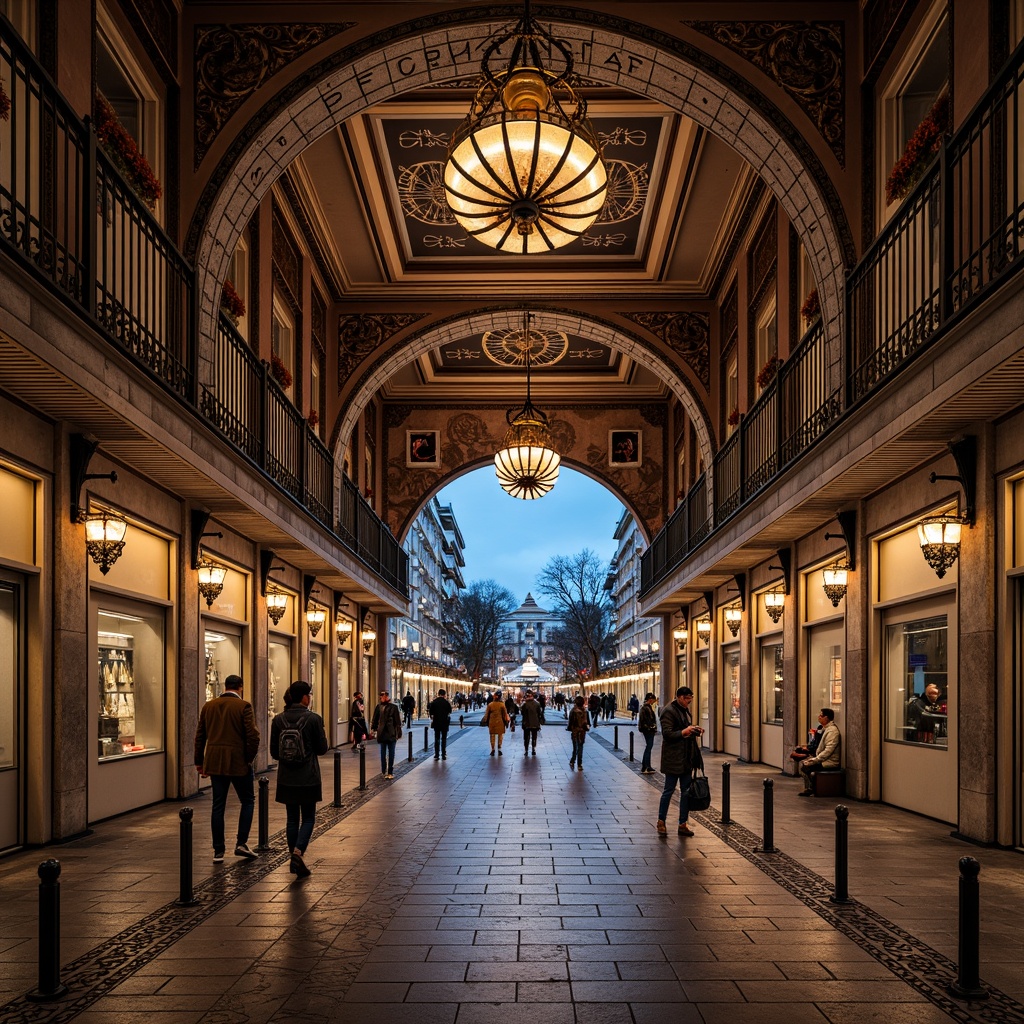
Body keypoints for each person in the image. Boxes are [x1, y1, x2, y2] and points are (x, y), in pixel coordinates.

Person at [194, 673, 261, 863]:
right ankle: (241, 843)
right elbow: (253, 736)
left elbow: (200, 736)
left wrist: (199, 762)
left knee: (218, 804)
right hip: (238, 762)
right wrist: (248, 758)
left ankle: (218, 851)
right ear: (240, 686)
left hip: (215, 762)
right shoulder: (243, 706)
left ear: (225, 687)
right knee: (247, 800)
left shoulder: (209, 706)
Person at [270, 680, 329, 878]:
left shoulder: (278, 720)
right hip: (308, 776)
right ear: (305, 697)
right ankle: (297, 853)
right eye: (309, 695)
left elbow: (274, 752)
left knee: (292, 818)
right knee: (309, 817)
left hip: (286, 777)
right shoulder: (313, 719)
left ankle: (293, 859)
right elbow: (322, 749)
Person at [657, 686, 703, 836]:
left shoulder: (683, 710)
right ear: (681, 697)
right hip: (673, 759)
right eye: (688, 699)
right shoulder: (668, 711)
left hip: (686, 758)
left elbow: (685, 728)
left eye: (690, 699)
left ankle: (682, 823)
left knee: (686, 792)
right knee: (668, 791)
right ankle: (661, 821)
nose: (689, 702)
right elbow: (668, 734)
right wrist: (685, 731)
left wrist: (694, 729)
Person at [798, 708, 842, 795]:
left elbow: (828, 750)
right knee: (803, 763)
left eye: (821, 716)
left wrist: (815, 760)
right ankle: (811, 787)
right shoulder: (824, 729)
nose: (819, 717)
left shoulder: (832, 731)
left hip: (829, 761)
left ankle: (810, 788)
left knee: (805, 768)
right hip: (823, 759)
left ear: (826, 718)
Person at [371, 690, 403, 778]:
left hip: (385, 732)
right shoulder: (392, 707)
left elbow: (375, 720)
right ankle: (388, 771)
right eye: (383, 696)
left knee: (385, 752)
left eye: (384, 696)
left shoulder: (379, 707)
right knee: (387, 752)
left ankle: (386, 771)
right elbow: (398, 722)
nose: (383, 697)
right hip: (389, 732)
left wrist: (373, 729)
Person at [427, 687, 453, 760]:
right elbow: (450, 711)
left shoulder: (434, 702)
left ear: (438, 694)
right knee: (444, 739)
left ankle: (436, 754)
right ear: (444, 695)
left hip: (437, 723)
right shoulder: (446, 702)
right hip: (444, 723)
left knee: (437, 738)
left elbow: (431, 712)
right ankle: (443, 754)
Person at [637, 692, 659, 774]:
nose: (654, 701)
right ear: (650, 699)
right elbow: (647, 720)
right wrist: (651, 727)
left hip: (647, 730)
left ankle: (646, 766)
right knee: (649, 747)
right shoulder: (646, 708)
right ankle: (646, 766)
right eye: (653, 700)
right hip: (648, 730)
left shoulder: (646, 707)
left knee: (648, 747)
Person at [484, 690, 510, 756]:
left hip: (492, 722)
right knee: (500, 736)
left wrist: (486, 721)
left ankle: (493, 749)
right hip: (500, 722)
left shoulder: (490, 705)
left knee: (492, 736)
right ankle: (499, 749)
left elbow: (487, 714)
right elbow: (505, 714)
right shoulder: (502, 705)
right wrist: (506, 722)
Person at [568, 694, 589, 770]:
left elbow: (570, 722)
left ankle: (573, 760)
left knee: (575, 747)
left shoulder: (573, 711)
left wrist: (570, 728)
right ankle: (579, 764)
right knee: (580, 747)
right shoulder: (585, 711)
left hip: (575, 731)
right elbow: (588, 722)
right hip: (582, 732)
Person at [520, 689, 543, 755]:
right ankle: (533, 749)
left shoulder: (524, 704)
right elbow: (539, 713)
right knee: (534, 737)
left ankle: (526, 750)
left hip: (526, 723)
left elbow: (522, 713)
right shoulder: (537, 704)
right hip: (535, 723)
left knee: (526, 737)